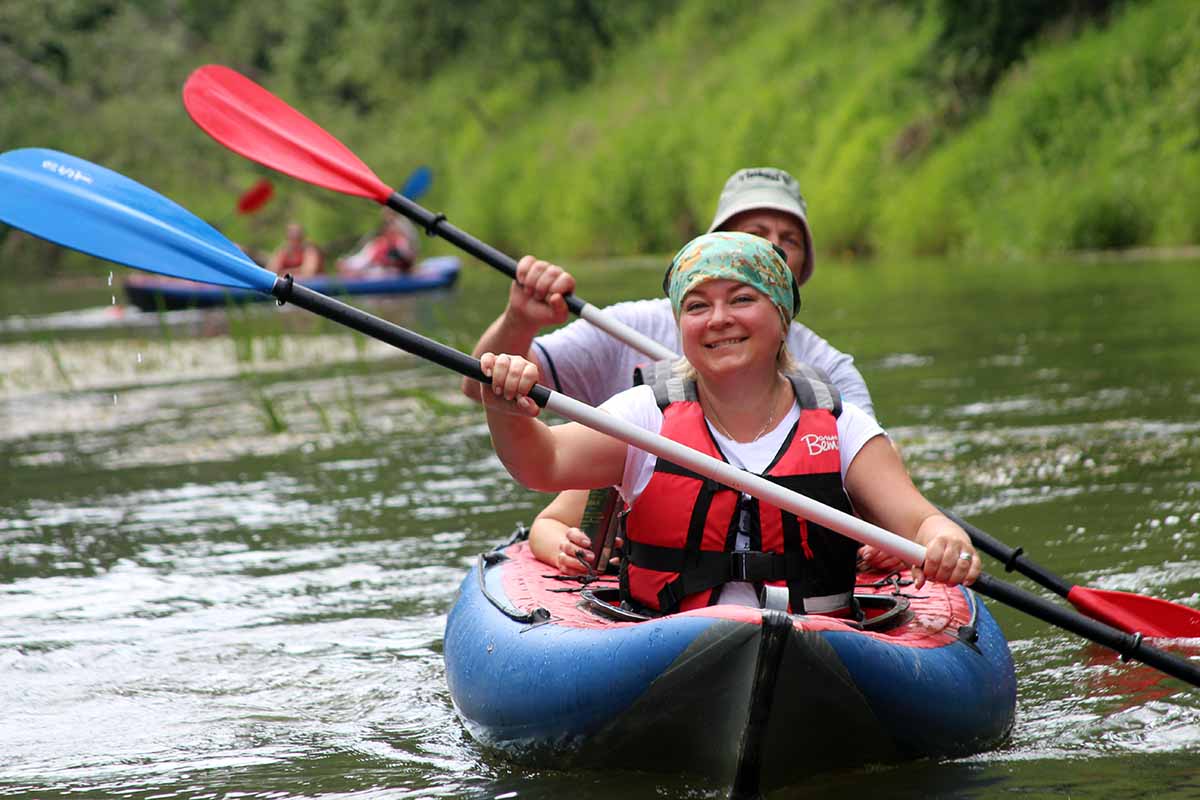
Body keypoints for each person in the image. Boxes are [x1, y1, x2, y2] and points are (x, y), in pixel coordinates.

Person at [478, 232, 977, 616]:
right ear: (680, 326)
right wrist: (501, 404)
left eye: (742, 299)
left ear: (782, 319)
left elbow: (919, 521)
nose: (718, 319)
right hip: (666, 639)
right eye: (697, 306)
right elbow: (540, 463)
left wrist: (944, 539)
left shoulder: (841, 425)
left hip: (819, 643)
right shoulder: (642, 417)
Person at [462, 167, 876, 574]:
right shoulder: (637, 385)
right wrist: (518, 324)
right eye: (755, 233)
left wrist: (892, 536)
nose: (774, 248)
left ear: (795, 276)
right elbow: (486, 392)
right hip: (641, 542)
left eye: (789, 240)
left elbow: (869, 489)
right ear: (713, 245)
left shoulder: (831, 379)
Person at [337, 212, 419, 276]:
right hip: (377, 274)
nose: (391, 232)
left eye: (393, 229)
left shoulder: (402, 243)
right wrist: (347, 264)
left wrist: (395, 215)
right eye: (389, 229)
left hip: (396, 275)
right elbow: (362, 260)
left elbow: (410, 256)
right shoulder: (378, 244)